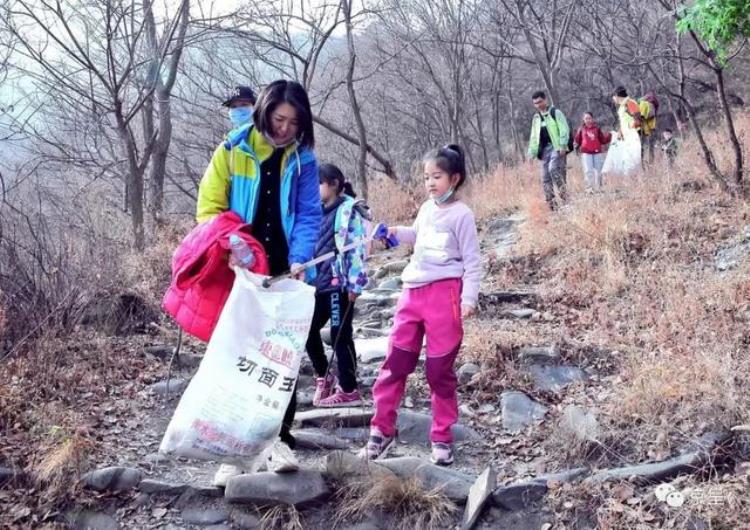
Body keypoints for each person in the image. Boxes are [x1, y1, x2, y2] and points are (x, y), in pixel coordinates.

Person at [196, 79, 322, 485]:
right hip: (240, 268)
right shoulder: (233, 150)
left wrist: (302, 258)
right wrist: (230, 246)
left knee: (281, 357)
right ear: (263, 111)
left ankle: (277, 440)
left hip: (285, 269)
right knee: (239, 354)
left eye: (293, 122)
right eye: (278, 118)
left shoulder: (303, 160)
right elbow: (210, 209)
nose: (284, 128)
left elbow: (308, 215)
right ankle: (233, 451)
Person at [360, 144, 481, 466]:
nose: (430, 183)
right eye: (427, 177)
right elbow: (417, 234)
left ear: (454, 178)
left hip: (445, 296)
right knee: (395, 363)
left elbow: (472, 261)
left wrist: (469, 298)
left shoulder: (462, 215)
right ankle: (381, 431)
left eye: (437, 177)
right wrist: (393, 233)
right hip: (411, 294)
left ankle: (442, 436)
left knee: (439, 369)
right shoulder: (427, 208)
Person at [305, 164, 369, 408]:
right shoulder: (315, 212)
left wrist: (356, 283)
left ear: (333, 183)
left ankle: (349, 388)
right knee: (307, 331)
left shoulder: (348, 211)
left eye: (318, 183)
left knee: (339, 334)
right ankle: (324, 375)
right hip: (317, 284)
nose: (315, 189)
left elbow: (357, 248)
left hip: (338, 284)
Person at [526, 90, 570, 210]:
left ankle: (565, 200)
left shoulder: (555, 112)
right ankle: (552, 206)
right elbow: (534, 137)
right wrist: (531, 153)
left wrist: (562, 145)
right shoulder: (536, 118)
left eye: (540, 102)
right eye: (535, 103)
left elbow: (564, 129)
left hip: (556, 147)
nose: (538, 105)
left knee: (553, 169)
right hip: (544, 151)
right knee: (545, 177)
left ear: (545, 100)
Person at [573, 112, 612, 192]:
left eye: (590, 118)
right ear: (583, 120)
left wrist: (611, 135)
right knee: (588, 171)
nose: (588, 120)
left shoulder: (597, 128)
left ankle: (599, 188)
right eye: (586, 118)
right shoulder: (581, 129)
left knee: (599, 170)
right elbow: (578, 140)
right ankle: (589, 188)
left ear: (592, 119)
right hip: (586, 153)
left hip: (597, 152)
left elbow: (603, 140)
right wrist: (576, 147)